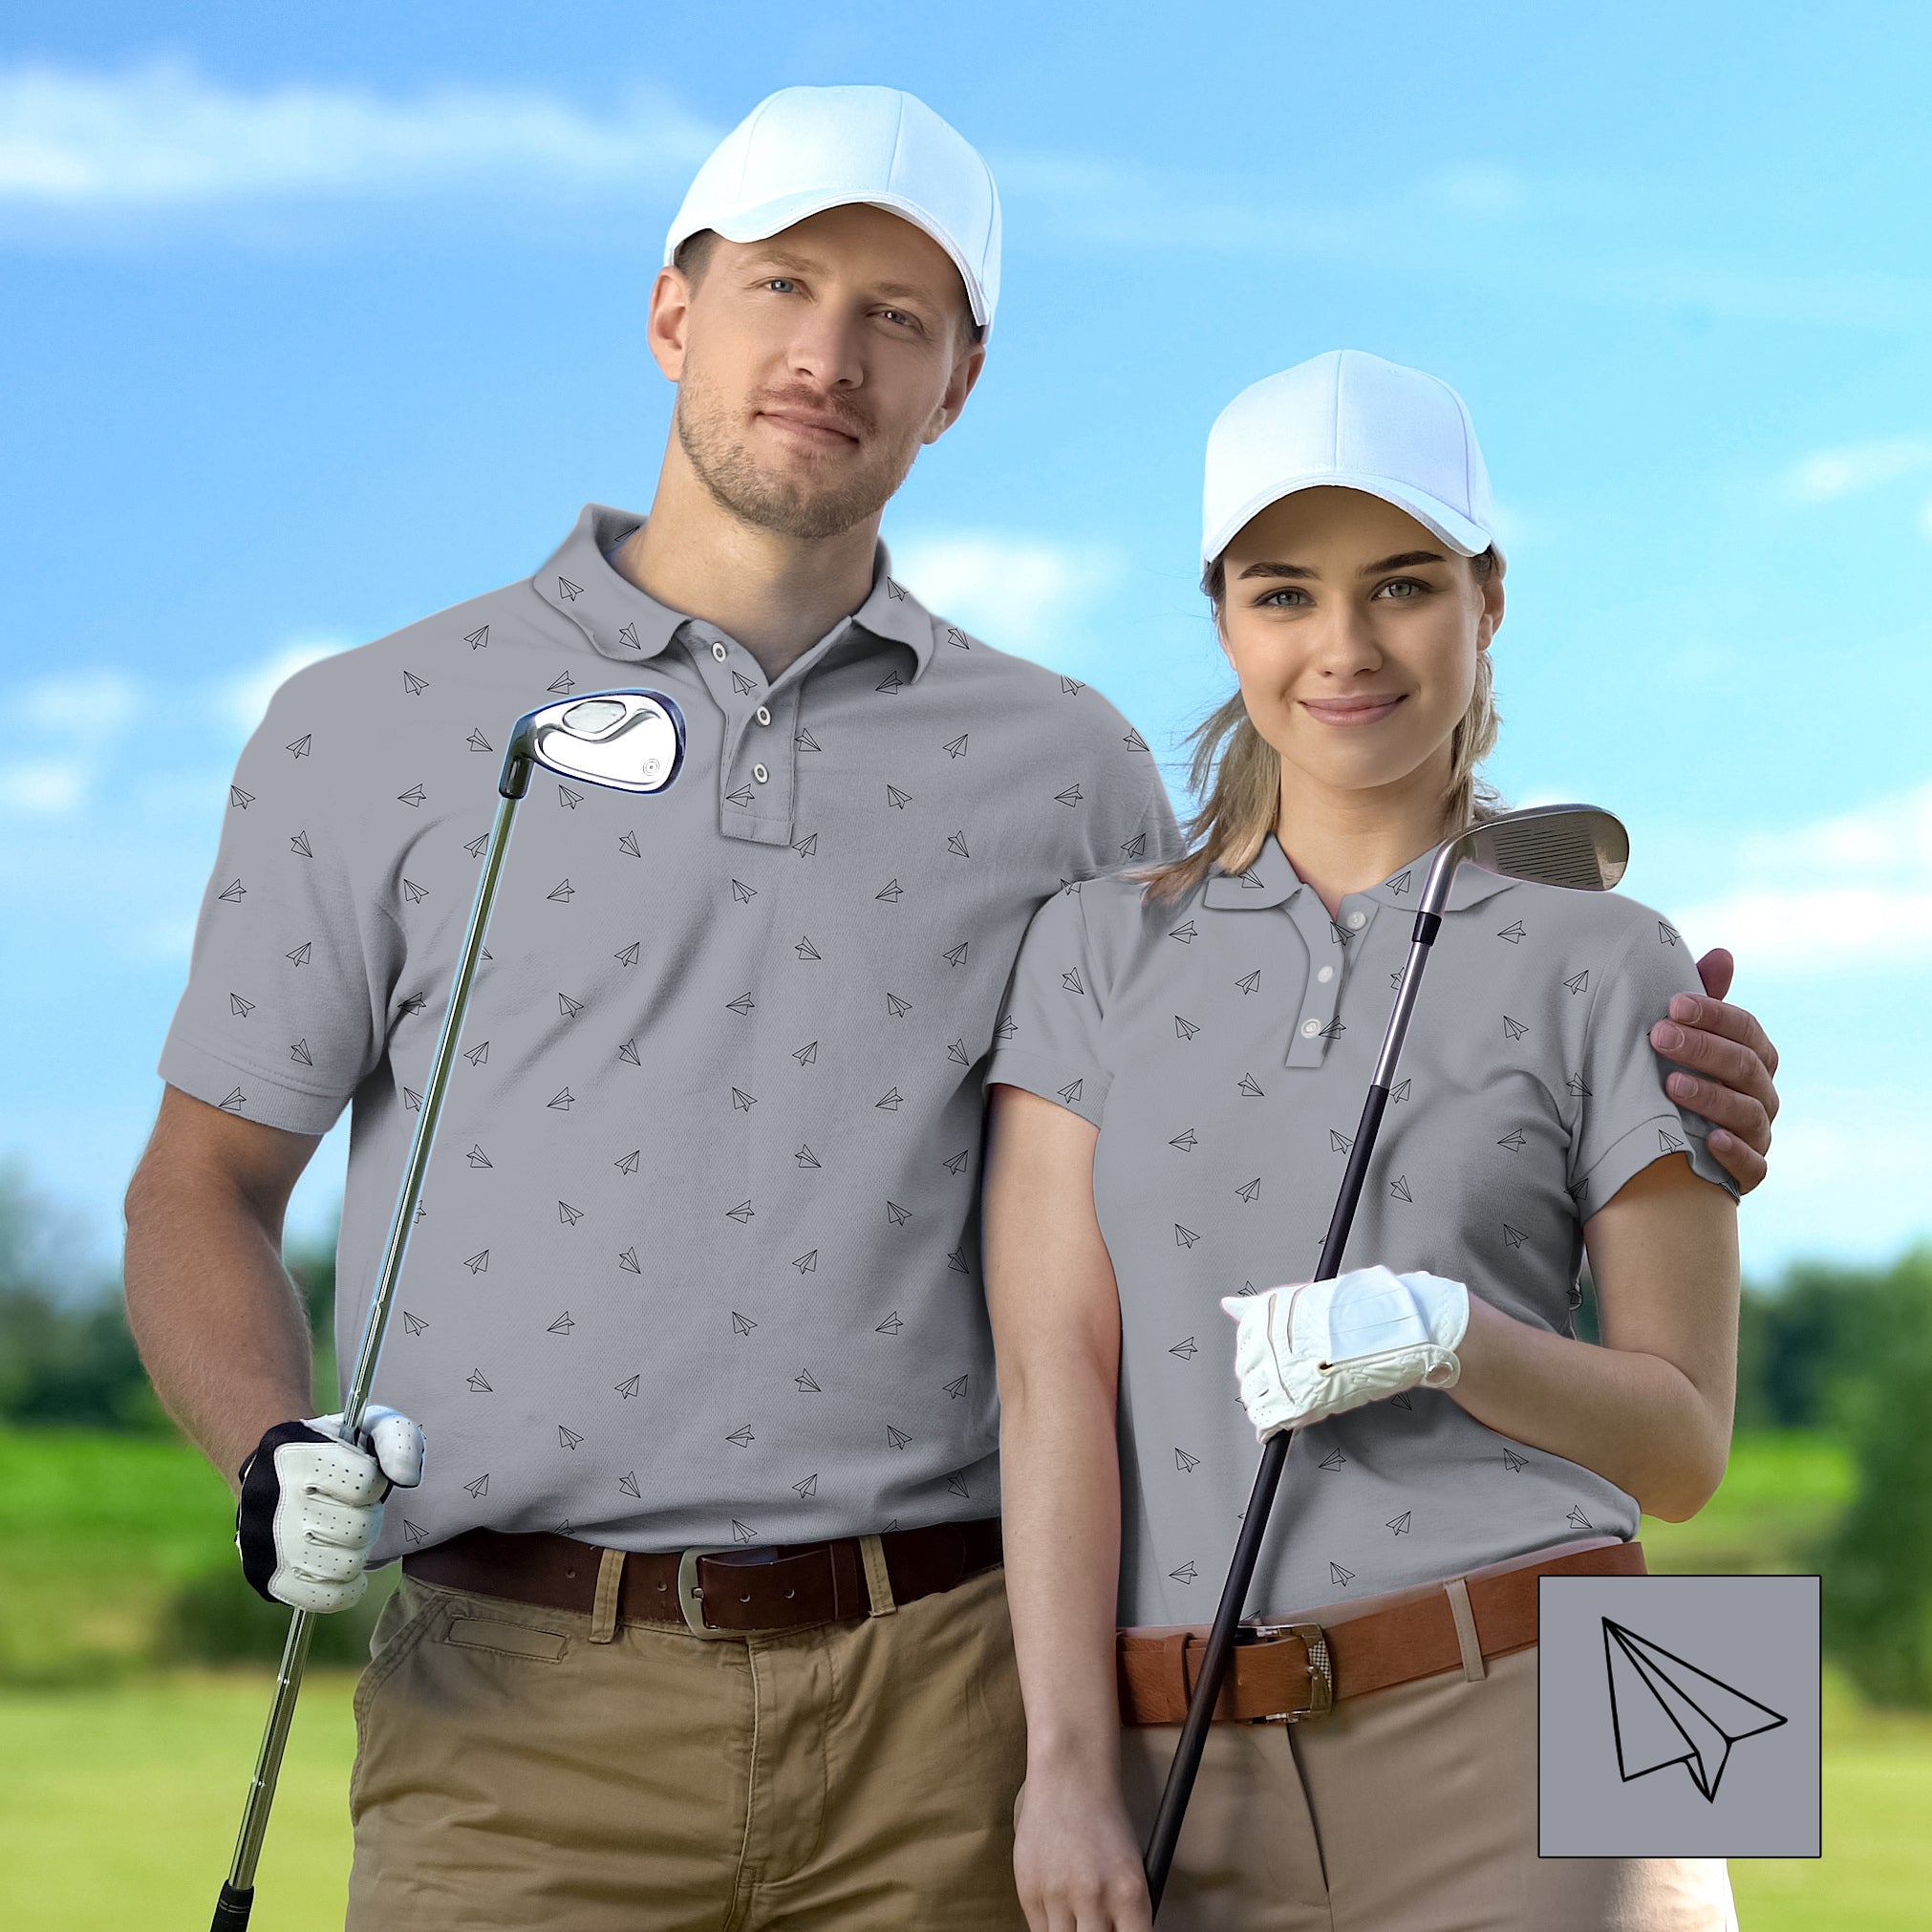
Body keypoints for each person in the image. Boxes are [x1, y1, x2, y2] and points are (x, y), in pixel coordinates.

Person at [118, 80, 1777, 1928]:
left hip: (988, 1691)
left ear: (959, 381)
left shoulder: (1069, 766)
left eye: (894, 316)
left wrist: (1630, 1041)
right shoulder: (367, 722)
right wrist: (266, 1450)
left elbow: (1657, 1427)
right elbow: (198, 1185)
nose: (827, 355)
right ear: (671, 309)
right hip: (523, 1701)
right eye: (780, 285)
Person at [984, 351, 1756, 1930]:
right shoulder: (1089, 950)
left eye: (1401, 584)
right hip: (1185, 1754)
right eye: (1284, 594)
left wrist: (1443, 1334)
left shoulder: (1619, 954)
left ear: (1487, 599)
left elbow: (1683, 1455)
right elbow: (1047, 1377)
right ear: (1222, 618)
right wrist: (1060, 1763)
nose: (1343, 646)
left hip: (1582, 1686)